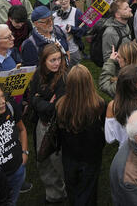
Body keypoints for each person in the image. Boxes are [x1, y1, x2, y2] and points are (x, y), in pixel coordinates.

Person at [55, 64, 107, 206]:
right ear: (90, 82)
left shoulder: (61, 105)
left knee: (72, 189)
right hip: (91, 156)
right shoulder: (99, 104)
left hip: (69, 156)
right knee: (89, 190)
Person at [25, 42, 68, 204]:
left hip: (58, 127)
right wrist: (40, 102)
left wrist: (38, 99)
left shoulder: (64, 77)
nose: (57, 63)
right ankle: (54, 195)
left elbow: (55, 108)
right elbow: (32, 99)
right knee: (43, 160)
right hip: (42, 124)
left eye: (59, 59)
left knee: (58, 162)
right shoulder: (38, 74)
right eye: (52, 60)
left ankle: (64, 191)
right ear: (44, 62)